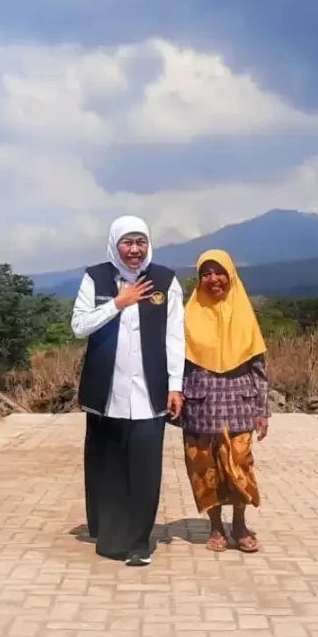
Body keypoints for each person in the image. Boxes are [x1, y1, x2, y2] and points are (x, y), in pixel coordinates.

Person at [70, 216, 185, 566]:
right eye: (127, 243)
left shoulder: (165, 281)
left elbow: (175, 337)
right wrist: (118, 303)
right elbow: (78, 326)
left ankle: (139, 542)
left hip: (150, 395)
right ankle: (110, 535)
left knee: (145, 468)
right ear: (115, 244)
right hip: (108, 394)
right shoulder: (96, 277)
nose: (135, 250)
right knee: (110, 468)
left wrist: (176, 385)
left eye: (141, 242)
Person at [182, 249, 270, 553]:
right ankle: (216, 528)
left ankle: (240, 524)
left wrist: (262, 410)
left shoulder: (244, 313)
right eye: (205, 273)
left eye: (219, 272)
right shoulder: (187, 315)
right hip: (200, 403)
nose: (213, 279)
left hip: (239, 403)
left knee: (239, 464)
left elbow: (259, 368)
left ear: (231, 275)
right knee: (205, 467)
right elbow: (176, 365)